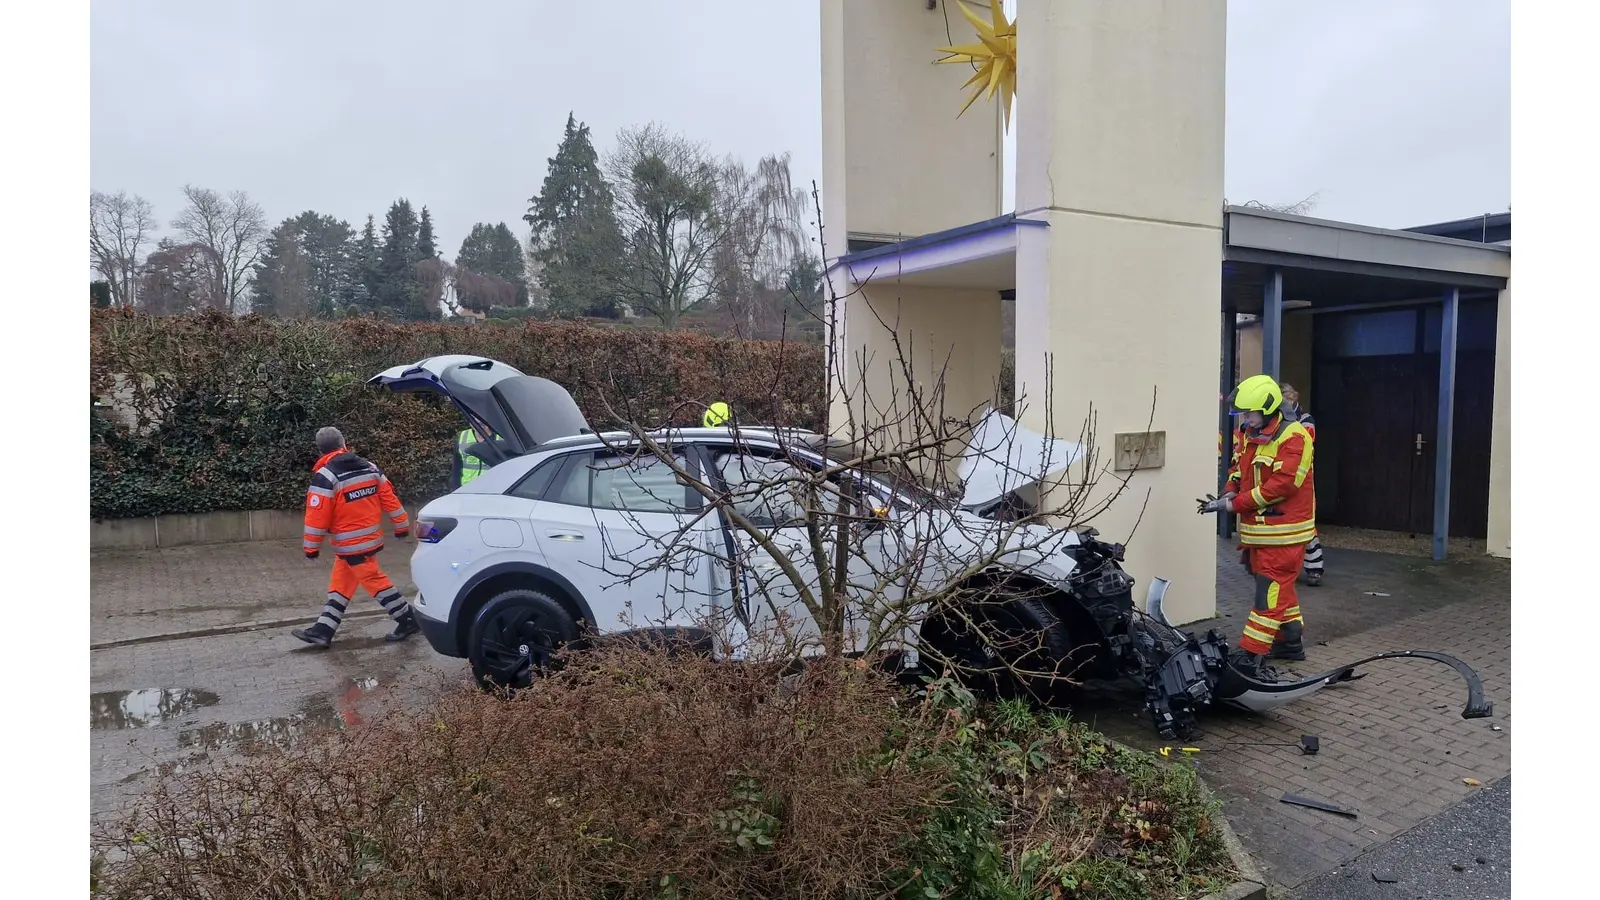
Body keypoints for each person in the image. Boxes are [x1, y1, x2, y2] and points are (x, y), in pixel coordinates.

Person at [1198, 374, 1315, 671]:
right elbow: (1239, 469)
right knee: (1278, 587)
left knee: (1269, 592)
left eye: (1249, 413)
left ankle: (1252, 653)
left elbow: (1282, 486)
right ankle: (1290, 639)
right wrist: (1227, 491)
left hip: (1284, 533)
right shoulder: (1252, 434)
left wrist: (1234, 504)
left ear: (1267, 408)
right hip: (1261, 532)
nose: (1245, 420)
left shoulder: (1295, 437)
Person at [292, 426, 420, 648]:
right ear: (343, 444)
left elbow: (316, 517)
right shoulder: (369, 468)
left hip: (351, 545)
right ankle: (323, 630)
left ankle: (407, 618)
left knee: (374, 581)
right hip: (366, 541)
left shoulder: (326, 477)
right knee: (340, 585)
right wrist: (401, 525)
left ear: (321, 450)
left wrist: (311, 548)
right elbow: (389, 498)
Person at [1278, 383, 1324, 587]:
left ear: (1292, 398)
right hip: (1287, 478)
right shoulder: (1282, 420)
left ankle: (1315, 568)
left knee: (1306, 526)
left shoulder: (1306, 421)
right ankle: (1290, 568)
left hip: (1303, 480)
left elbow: (1305, 446)